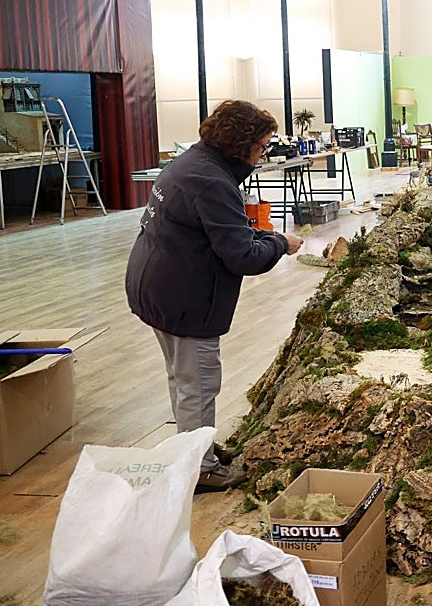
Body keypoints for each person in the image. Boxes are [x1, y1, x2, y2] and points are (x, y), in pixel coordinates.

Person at [126, 100, 303, 492]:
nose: (262, 155)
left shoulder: (191, 163)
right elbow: (242, 255)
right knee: (199, 383)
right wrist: (281, 244)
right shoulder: (212, 182)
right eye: (261, 146)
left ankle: (192, 445)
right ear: (241, 144)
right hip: (183, 297)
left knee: (182, 378)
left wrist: (268, 237)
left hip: (155, 285)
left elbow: (223, 232)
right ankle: (200, 467)